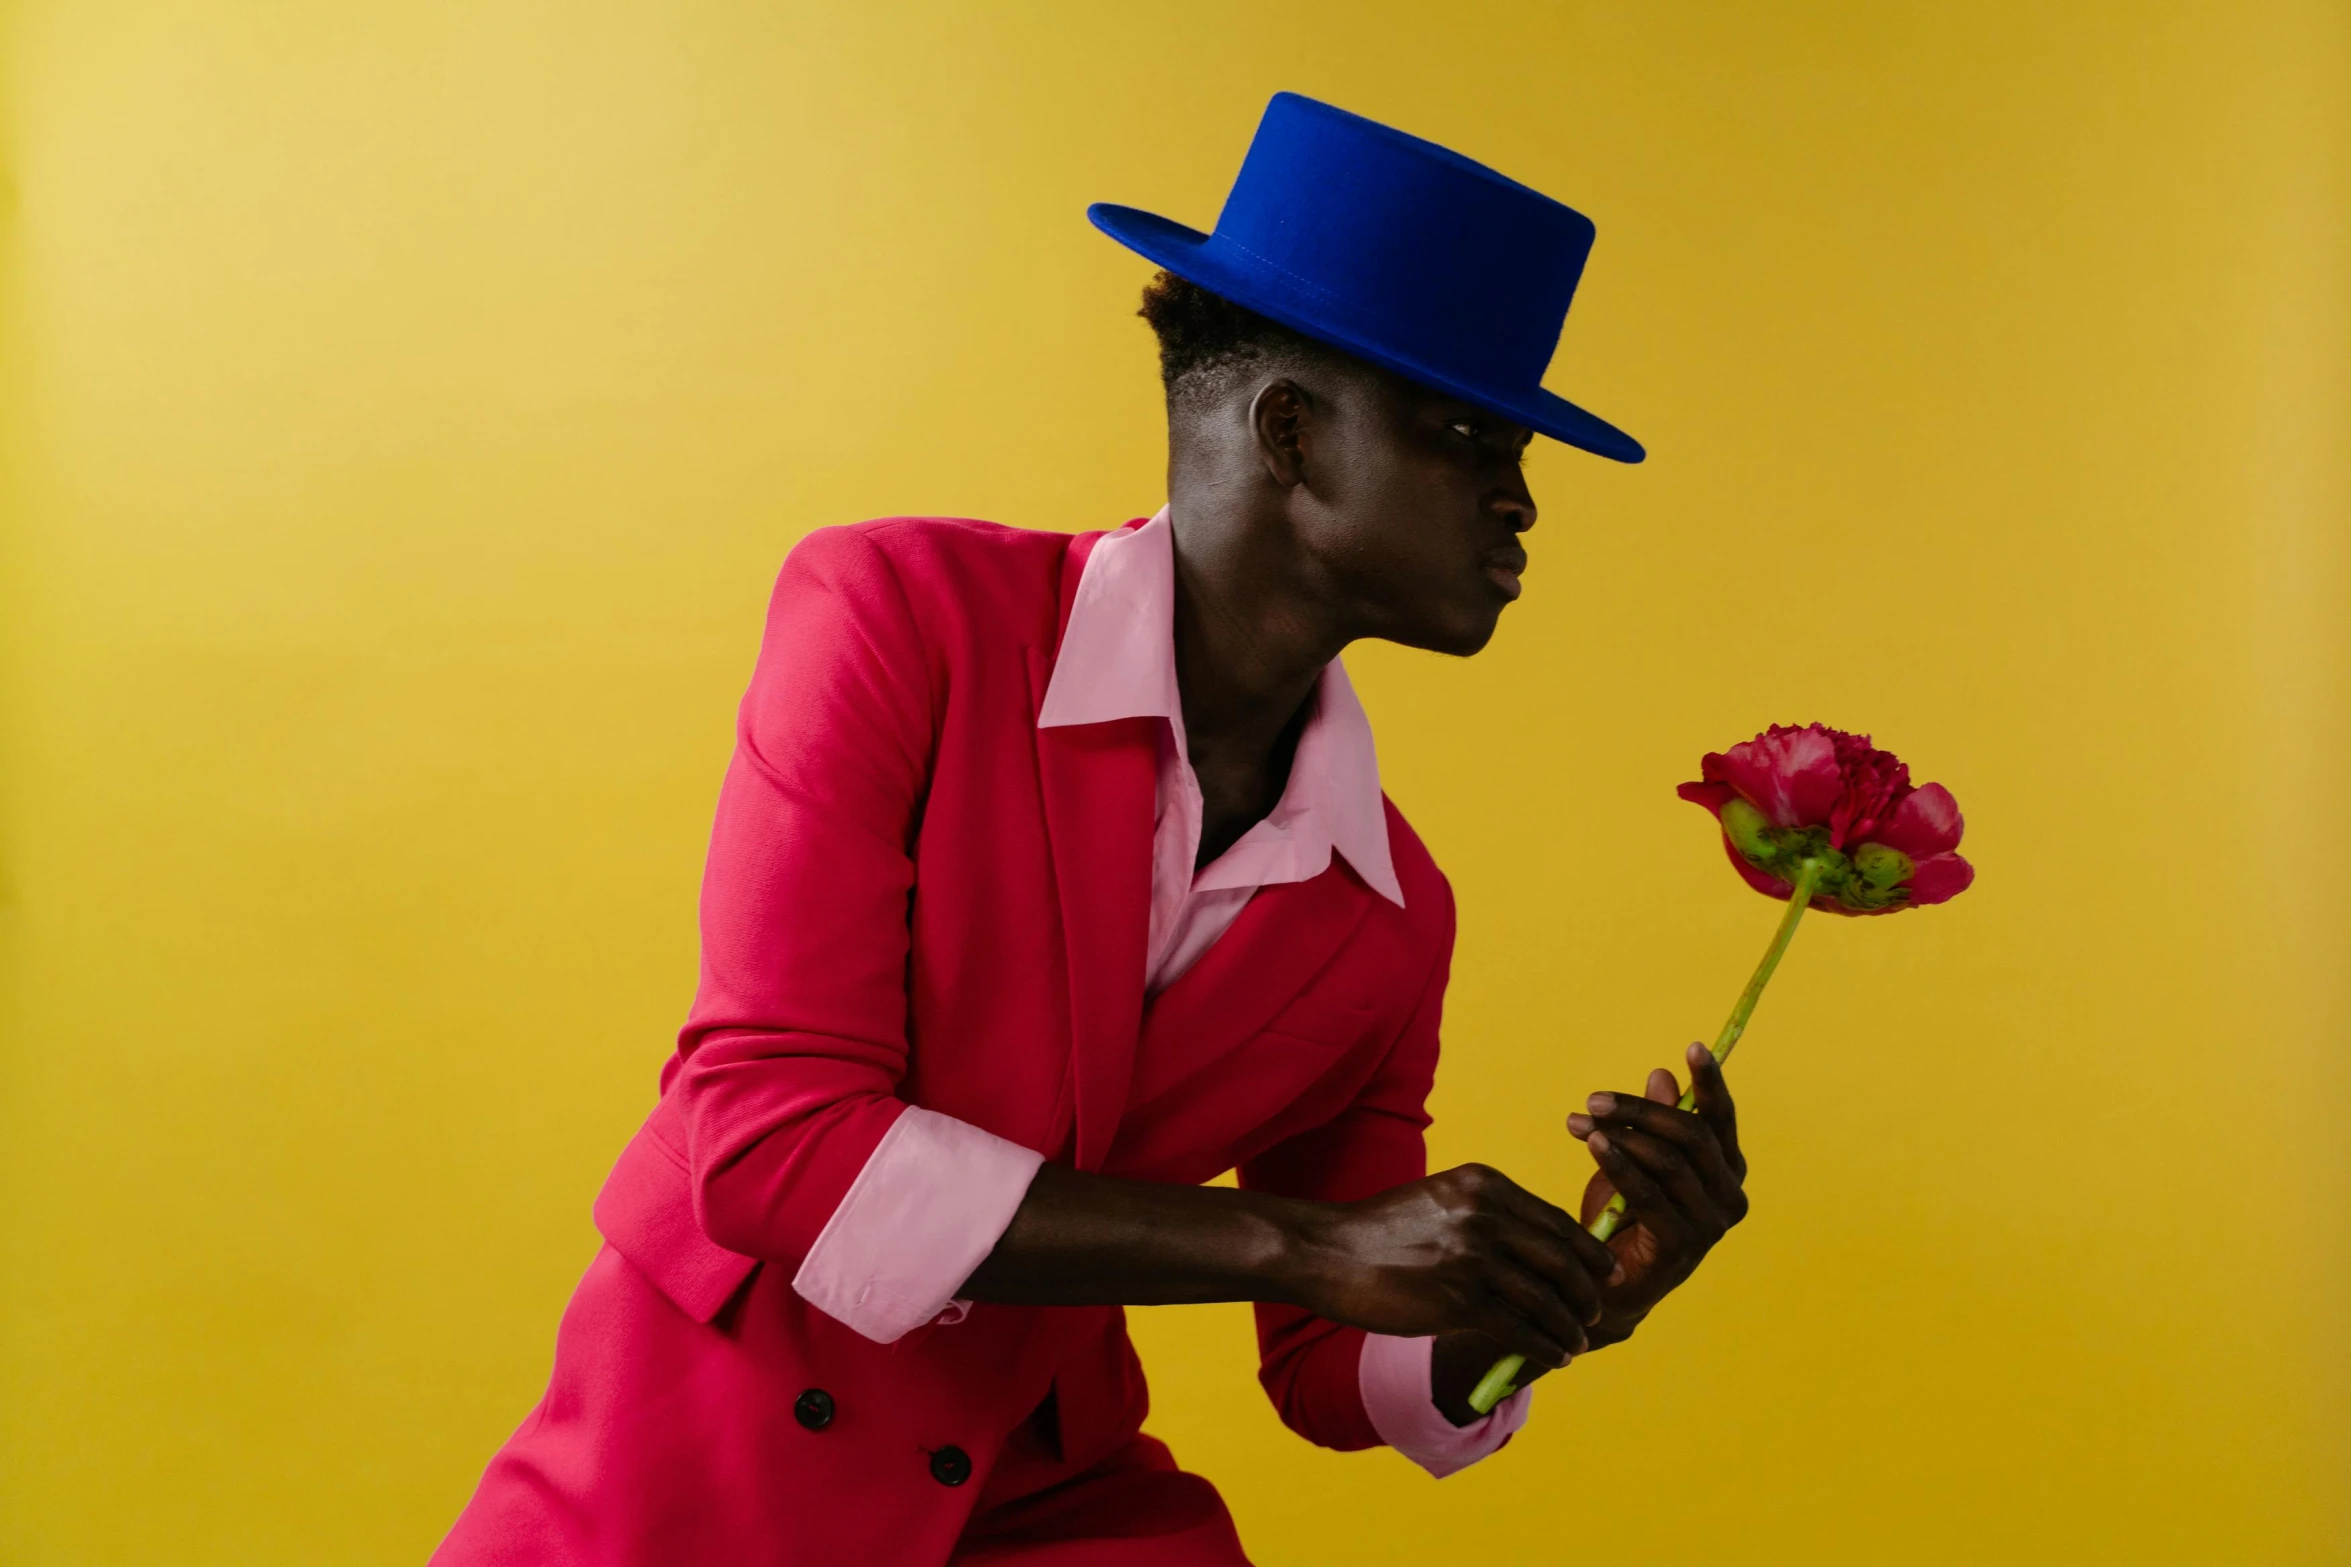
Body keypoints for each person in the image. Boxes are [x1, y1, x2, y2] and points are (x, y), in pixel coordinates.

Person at [432, 91, 1750, 1567]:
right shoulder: (897, 620)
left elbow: (1322, 1363)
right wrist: (1309, 1244)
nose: (1519, 502)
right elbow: (770, 1144)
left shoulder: (1389, 909)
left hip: (1037, 1496)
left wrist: (1567, 1300)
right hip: (692, 1470)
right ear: (1290, 431)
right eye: (1465, 434)